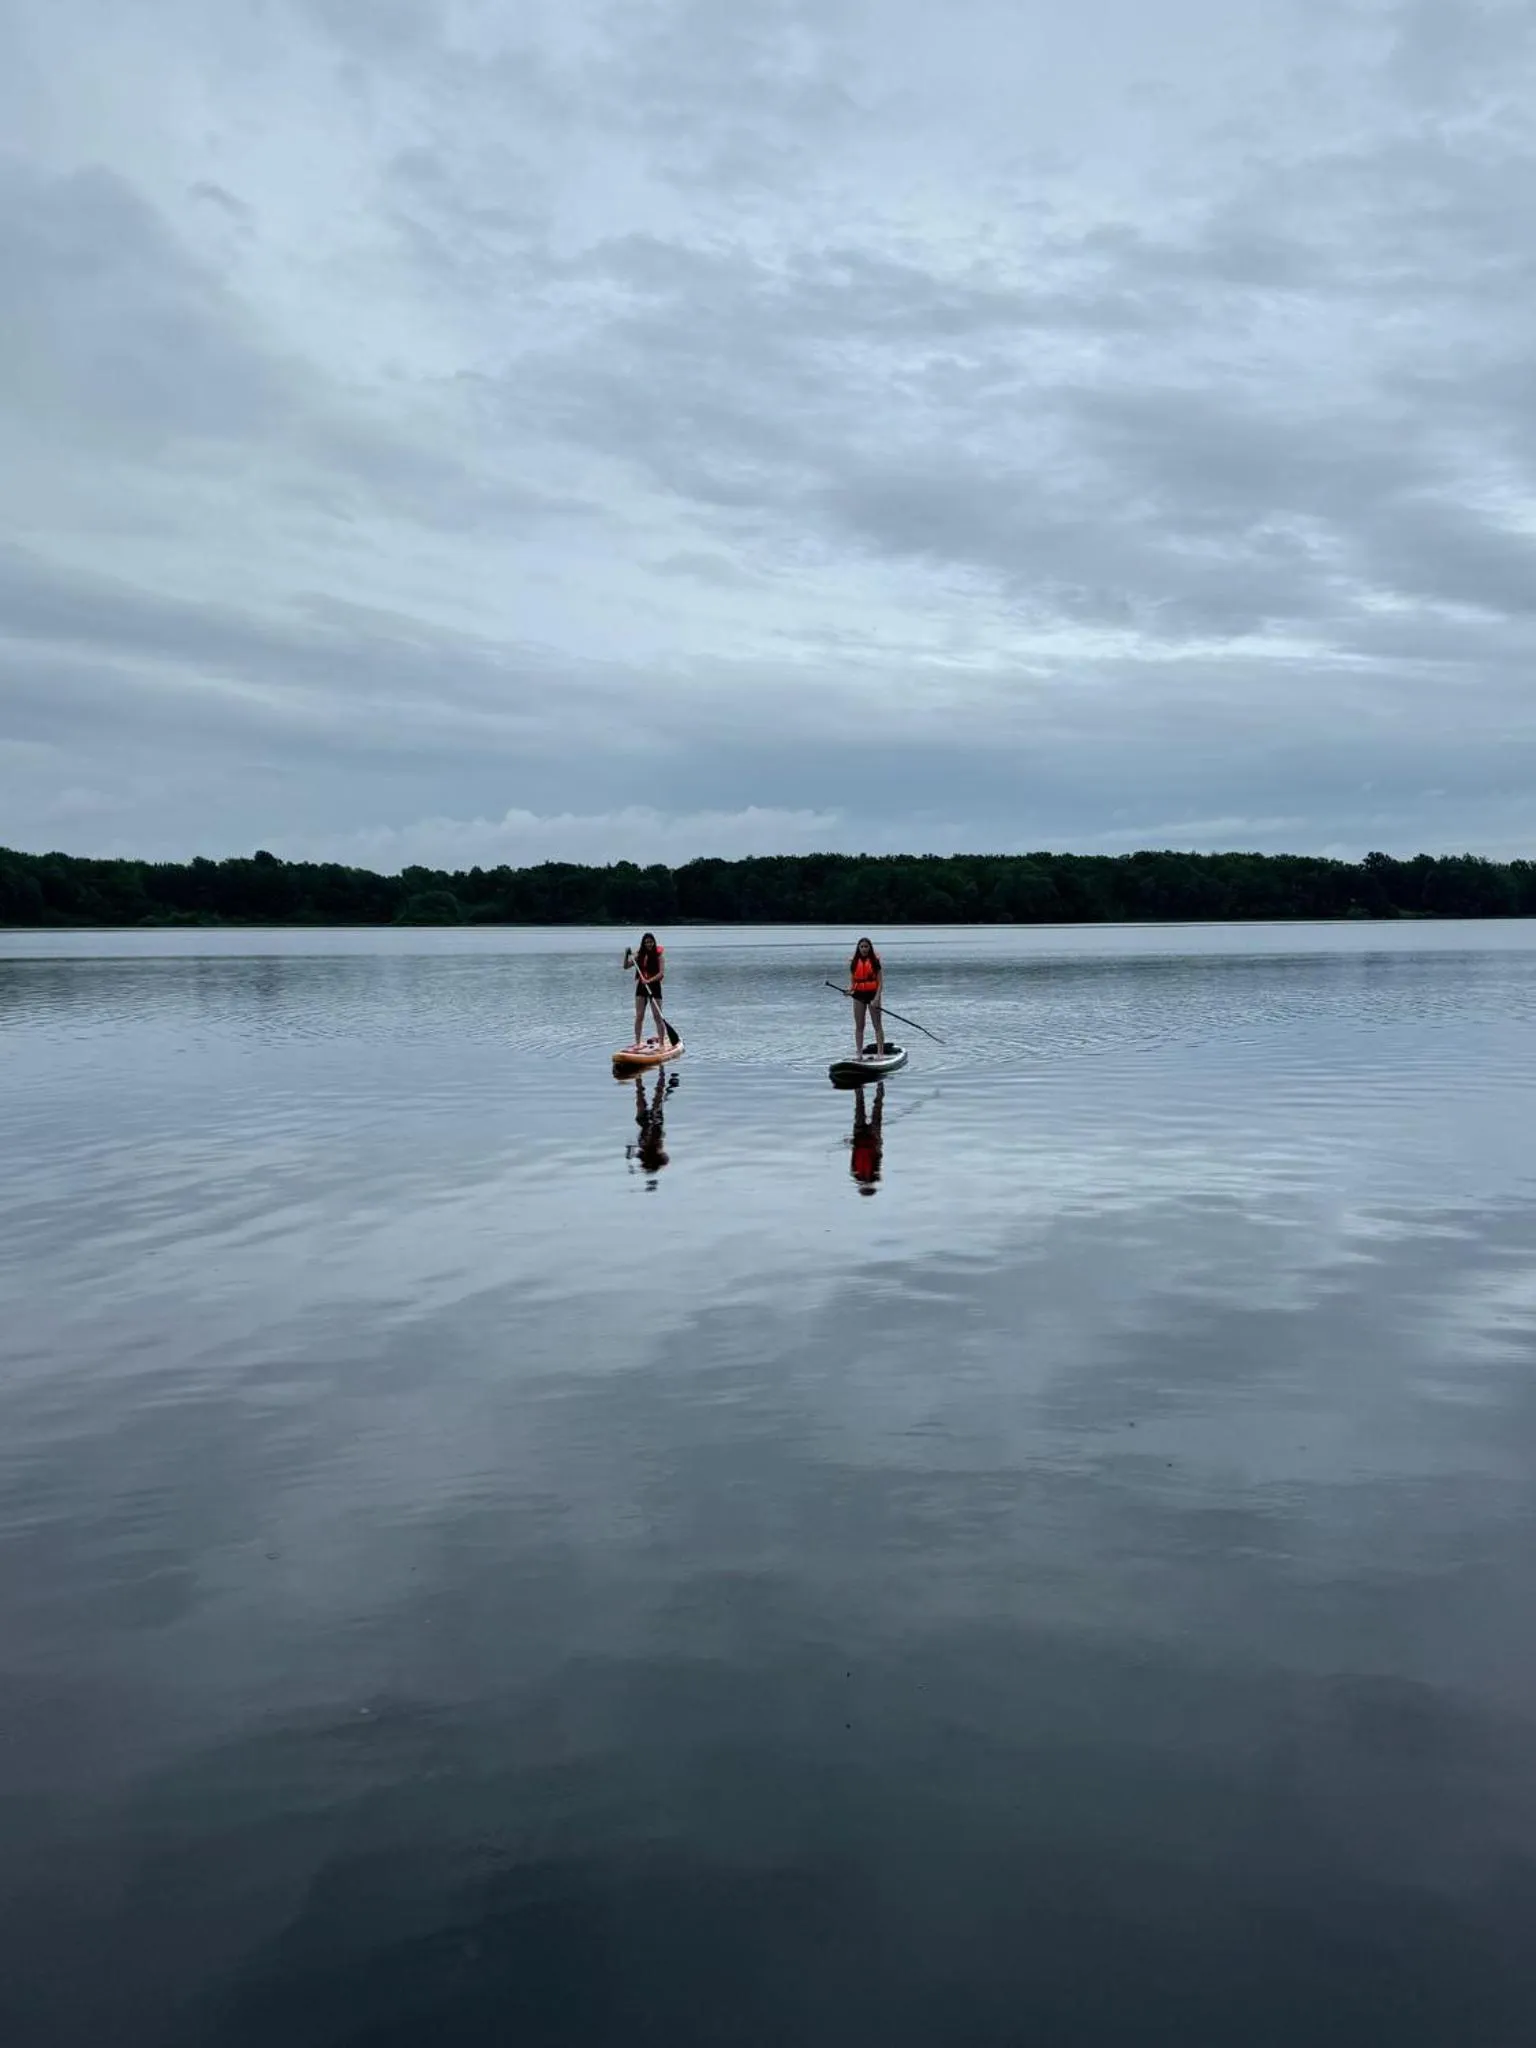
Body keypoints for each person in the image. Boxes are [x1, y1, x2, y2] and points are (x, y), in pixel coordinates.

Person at [623, 932, 666, 1047]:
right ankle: (637, 1043)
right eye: (646, 942)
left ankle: (662, 1044)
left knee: (657, 1016)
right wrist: (626, 955)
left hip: (654, 987)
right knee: (639, 1016)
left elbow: (661, 973)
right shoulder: (639, 955)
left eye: (651, 942)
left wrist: (649, 980)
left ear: (654, 942)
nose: (649, 944)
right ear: (643, 943)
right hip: (641, 987)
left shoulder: (659, 956)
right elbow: (626, 966)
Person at [848, 935, 885, 1057]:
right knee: (859, 1026)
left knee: (877, 1025)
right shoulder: (854, 962)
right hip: (858, 995)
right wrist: (849, 990)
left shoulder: (875, 962)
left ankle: (880, 1053)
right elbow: (852, 982)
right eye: (862, 947)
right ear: (858, 948)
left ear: (870, 948)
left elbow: (880, 983)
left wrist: (876, 998)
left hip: (873, 994)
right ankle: (859, 1053)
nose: (864, 949)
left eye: (866, 946)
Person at [849, 1080, 884, 1195]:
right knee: (861, 1106)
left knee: (876, 1107)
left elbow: (878, 1156)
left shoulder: (870, 1175)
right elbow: (854, 1156)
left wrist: (879, 1143)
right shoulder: (855, 1174)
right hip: (862, 1138)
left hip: (869, 1138)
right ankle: (874, 1083)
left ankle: (879, 1083)